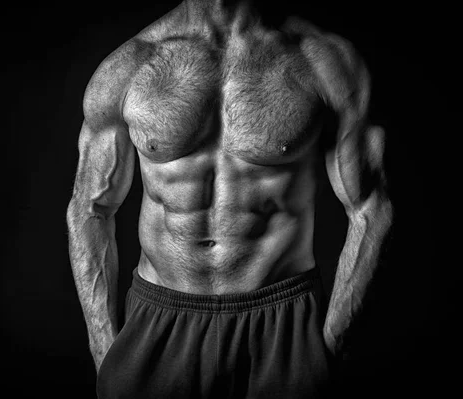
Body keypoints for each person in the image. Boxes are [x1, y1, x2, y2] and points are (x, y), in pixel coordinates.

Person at [67, 0, 393, 397]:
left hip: (282, 322)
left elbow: (371, 209)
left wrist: (332, 344)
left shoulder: (322, 61)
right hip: (158, 319)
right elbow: (90, 208)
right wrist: (105, 348)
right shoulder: (131, 66)